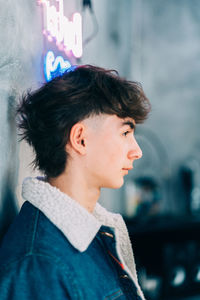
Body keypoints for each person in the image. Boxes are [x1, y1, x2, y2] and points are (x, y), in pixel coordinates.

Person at [0, 65, 151, 299]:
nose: (137, 151)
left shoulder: (90, 235)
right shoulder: (40, 264)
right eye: (125, 133)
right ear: (80, 139)